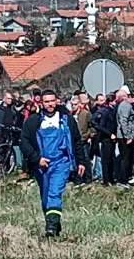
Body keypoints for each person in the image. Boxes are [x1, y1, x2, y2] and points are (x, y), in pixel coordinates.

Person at [19, 89, 87, 237]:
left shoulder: (67, 120)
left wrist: (81, 162)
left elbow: (77, 141)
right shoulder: (33, 121)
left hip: (61, 162)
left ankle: (50, 227)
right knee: (45, 198)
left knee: (54, 193)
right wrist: (37, 159)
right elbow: (24, 142)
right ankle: (54, 224)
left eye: (52, 101)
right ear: (41, 103)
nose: (50, 104)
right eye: (46, 102)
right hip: (41, 165)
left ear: (57, 101)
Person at [0, 91, 22, 176]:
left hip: (9, 132)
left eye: (11, 99)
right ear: (4, 98)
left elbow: (17, 118)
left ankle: (7, 169)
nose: (10, 100)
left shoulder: (13, 109)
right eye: (8, 98)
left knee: (7, 151)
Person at [115, 87, 134, 187]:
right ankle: (123, 180)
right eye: (128, 96)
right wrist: (128, 136)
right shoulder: (125, 106)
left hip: (122, 135)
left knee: (125, 158)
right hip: (124, 136)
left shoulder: (122, 105)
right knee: (125, 158)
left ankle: (124, 178)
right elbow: (124, 121)